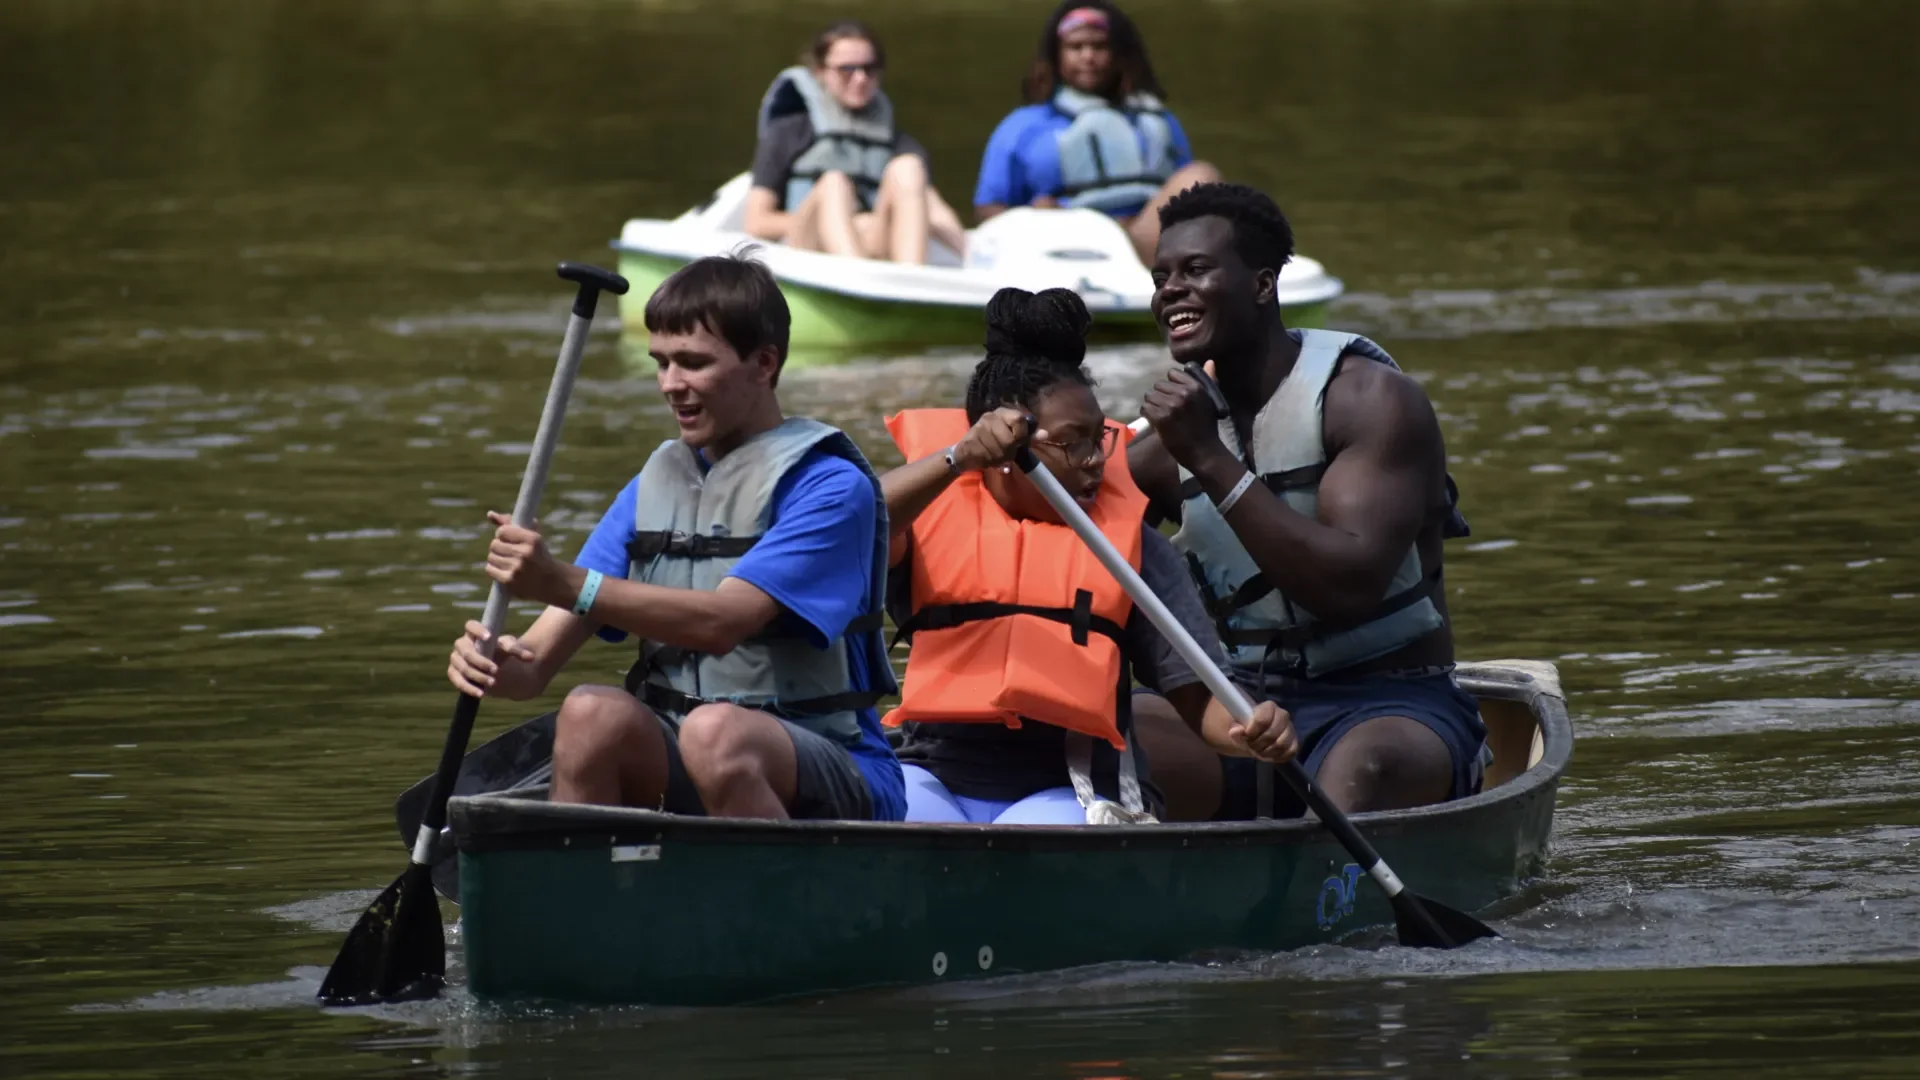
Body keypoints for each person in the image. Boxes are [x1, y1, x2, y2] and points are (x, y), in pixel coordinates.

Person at [444, 252, 904, 822]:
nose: (670, 384)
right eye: (660, 362)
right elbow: (535, 665)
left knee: (716, 733)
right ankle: (579, 903)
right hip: (691, 747)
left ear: (764, 363)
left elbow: (722, 622)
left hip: (834, 763)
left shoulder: (831, 487)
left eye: (692, 363)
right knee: (590, 712)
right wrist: (495, 664)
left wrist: (560, 579)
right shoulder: (657, 482)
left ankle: (776, 904)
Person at [1124, 182, 1487, 823]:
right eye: (1161, 277)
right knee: (1109, 730)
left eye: (1196, 270)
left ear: (1263, 286)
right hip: (1241, 711)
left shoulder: (1374, 402)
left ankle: (1322, 902)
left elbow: (1347, 588)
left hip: (1387, 701)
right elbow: (1092, 563)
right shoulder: (1159, 448)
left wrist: (1210, 459)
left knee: (1361, 772)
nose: (1169, 291)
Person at [878, 286, 1296, 825]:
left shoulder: (1130, 551)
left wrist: (1247, 731)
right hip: (932, 773)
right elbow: (854, 523)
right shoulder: (927, 517)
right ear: (1005, 451)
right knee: (896, 812)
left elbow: (1201, 700)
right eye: (1073, 443)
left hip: (1072, 787)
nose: (1096, 461)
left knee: (1033, 836)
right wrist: (957, 458)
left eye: (1098, 438)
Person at [973, 1, 1222, 264]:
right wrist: (1035, 221)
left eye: (1100, 47)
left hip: (1139, 244)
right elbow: (989, 208)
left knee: (1201, 176)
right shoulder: (1022, 126)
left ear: (1119, 54)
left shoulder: (1158, 122)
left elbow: (1189, 205)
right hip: (1056, 244)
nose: (1088, 57)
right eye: (1075, 47)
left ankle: (1187, 283)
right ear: (1056, 56)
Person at [744, 20, 967, 265]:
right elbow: (757, 221)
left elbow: (934, 206)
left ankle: (911, 280)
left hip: (872, 237)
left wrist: (967, 253)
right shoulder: (788, 131)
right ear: (820, 71)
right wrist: (845, 220)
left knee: (910, 168)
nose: (860, 79)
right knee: (834, 183)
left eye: (869, 68)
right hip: (805, 246)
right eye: (846, 69)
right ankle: (857, 278)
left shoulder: (898, 142)